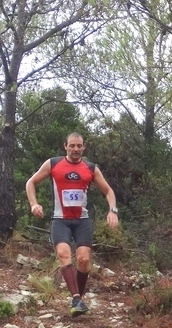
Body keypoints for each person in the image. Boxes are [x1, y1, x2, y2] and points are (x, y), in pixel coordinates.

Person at [26, 132, 119, 317]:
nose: (75, 149)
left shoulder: (91, 168)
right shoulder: (53, 164)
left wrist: (113, 210)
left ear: (83, 147)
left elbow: (108, 191)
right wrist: (33, 204)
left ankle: (78, 300)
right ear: (65, 146)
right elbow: (31, 182)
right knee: (63, 254)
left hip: (82, 221)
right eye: (72, 146)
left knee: (84, 260)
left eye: (79, 146)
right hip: (60, 220)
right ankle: (76, 298)